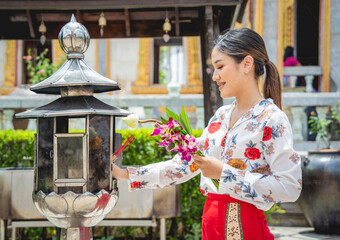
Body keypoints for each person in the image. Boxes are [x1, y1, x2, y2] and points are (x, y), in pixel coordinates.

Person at [113, 28, 302, 240]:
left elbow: (290, 187)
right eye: (214, 68)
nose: (215, 76)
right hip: (210, 223)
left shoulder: (271, 119)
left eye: (220, 66)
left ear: (247, 64)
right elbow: (183, 166)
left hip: (243, 227)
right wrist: (123, 174)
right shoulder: (220, 117)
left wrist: (224, 174)